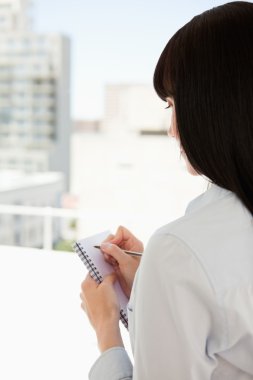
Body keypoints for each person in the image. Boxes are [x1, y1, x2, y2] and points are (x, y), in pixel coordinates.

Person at [80, 2, 253, 379]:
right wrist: (152, 286)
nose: (173, 129)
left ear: (217, 107)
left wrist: (106, 327)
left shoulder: (180, 249)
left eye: (174, 104)